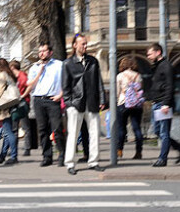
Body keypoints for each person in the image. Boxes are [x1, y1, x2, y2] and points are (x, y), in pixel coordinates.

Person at [61, 34, 106, 175]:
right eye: (82, 44)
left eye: (86, 44)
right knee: (73, 134)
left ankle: (94, 161)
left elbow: (98, 81)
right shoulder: (68, 63)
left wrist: (102, 99)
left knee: (94, 133)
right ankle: (70, 163)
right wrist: (70, 103)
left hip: (92, 102)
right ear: (75, 45)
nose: (85, 46)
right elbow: (65, 86)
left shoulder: (93, 61)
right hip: (76, 103)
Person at [146, 42, 180, 167]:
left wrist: (166, 103)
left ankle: (162, 159)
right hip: (157, 103)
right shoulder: (158, 66)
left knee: (164, 132)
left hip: (163, 104)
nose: (148, 56)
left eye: (150, 54)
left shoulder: (166, 66)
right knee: (157, 131)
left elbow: (170, 86)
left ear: (158, 52)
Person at [23, 42, 66, 167]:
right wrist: (39, 72)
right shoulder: (34, 67)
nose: (41, 53)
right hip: (38, 100)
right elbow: (29, 85)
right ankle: (47, 156)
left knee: (57, 129)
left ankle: (62, 155)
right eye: (40, 51)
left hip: (53, 99)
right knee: (42, 130)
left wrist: (60, 95)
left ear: (50, 52)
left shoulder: (59, 65)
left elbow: (67, 81)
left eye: (44, 51)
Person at [116, 56, 145, 160]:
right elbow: (140, 90)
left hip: (123, 102)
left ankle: (119, 150)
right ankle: (138, 152)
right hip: (136, 104)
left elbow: (117, 91)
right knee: (137, 128)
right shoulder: (138, 76)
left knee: (121, 128)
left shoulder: (120, 76)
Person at [0, 58, 19, 165]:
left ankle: (14, 156)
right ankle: (2, 155)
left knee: (8, 132)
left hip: (4, 106)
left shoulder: (2, 75)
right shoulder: (10, 75)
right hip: (11, 105)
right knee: (7, 132)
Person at [10, 60, 31, 156]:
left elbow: (28, 86)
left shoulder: (22, 76)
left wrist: (23, 95)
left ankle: (27, 148)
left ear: (13, 67)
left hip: (22, 103)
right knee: (14, 128)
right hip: (15, 103)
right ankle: (14, 149)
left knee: (25, 126)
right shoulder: (14, 78)